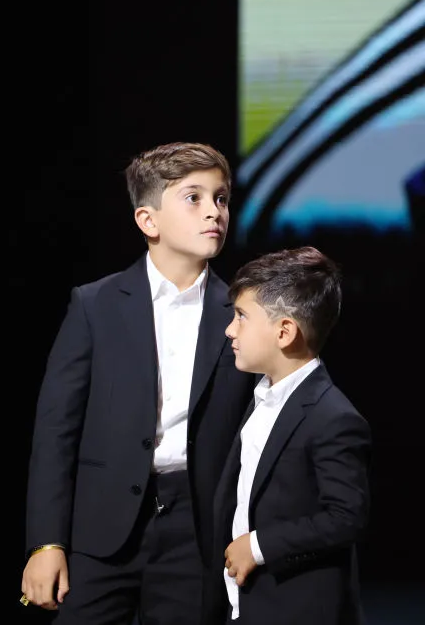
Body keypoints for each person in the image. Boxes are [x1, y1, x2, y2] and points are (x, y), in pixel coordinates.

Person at [21, 142, 258, 624]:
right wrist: (46, 541)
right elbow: (55, 431)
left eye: (221, 198)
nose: (214, 211)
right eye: (193, 198)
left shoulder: (242, 312)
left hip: (197, 533)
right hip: (100, 530)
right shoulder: (95, 304)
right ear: (148, 221)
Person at [212, 246, 370, 624]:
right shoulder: (260, 396)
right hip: (244, 605)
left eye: (241, 317)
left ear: (284, 331)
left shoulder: (333, 417)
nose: (230, 329)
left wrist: (259, 545)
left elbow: (346, 517)